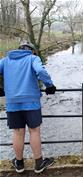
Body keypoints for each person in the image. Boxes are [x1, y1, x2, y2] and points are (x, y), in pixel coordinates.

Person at [0, 42, 57, 174]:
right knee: (34, 131)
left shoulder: (6, 60)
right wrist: (49, 85)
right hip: (31, 101)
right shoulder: (32, 58)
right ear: (32, 51)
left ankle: (19, 164)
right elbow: (41, 71)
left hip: (13, 102)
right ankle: (39, 163)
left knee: (18, 133)